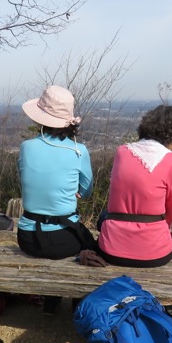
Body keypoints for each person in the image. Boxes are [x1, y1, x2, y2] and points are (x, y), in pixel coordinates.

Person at [17, 86, 102, 312]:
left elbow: (25, 179)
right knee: (92, 247)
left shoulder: (26, 147)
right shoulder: (79, 150)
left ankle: (50, 304)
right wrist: (76, 192)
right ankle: (77, 305)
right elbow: (86, 190)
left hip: (27, 238)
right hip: (64, 240)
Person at [97, 104, 172, 267]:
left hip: (110, 250)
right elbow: (171, 209)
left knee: (104, 216)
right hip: (155, 254)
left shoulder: (122, 152)